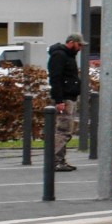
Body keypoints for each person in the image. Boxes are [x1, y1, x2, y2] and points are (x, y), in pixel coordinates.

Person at [47, 31, 85, 172]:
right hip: (65, 99)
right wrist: (59, 100)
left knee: (65, 130)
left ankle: (60, 160)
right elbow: (55, 78)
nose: (80, 48)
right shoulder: (60, 55)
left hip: (69, 97)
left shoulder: (67, 55)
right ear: (72, 42)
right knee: (63, 130)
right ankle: (56, 160)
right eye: (79, 45)